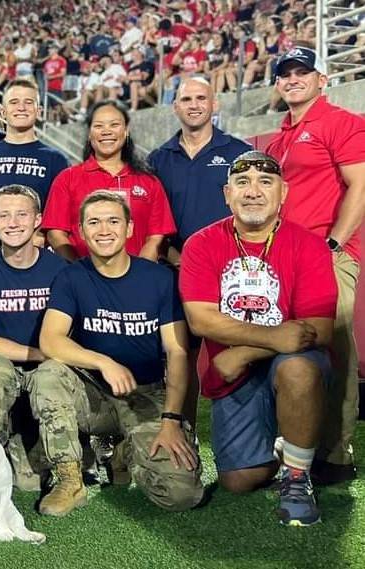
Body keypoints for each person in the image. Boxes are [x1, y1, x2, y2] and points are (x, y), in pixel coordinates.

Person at [180, 151, 337, 525]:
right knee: (239, 481)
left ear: (284, 193)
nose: (253, 191)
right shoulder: (201, 244)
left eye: (266, 182)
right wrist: (276, 336)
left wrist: (245, 351)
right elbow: (202, 320)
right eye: (243, 183)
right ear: (226, 193)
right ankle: (289, 444)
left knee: (297, 368)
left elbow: (320, 328)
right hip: (236, 377)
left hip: (288, 363)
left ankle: (297, 479)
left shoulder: (309, 245)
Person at [32, 190, 204, 516]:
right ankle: (70, 480)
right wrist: (103, 362)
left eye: (113, 221)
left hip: (146, 393)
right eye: (93, 222)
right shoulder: (71, 276)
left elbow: (178, 352)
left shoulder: (159, 278)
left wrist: (170, 420)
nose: (104, 230)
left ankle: (124, 452)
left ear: (129, 228)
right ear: (81, 232)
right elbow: (51, 340)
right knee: (49, 373)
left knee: (181, 495)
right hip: (93, 393)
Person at [264, 47, 365, 484]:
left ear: (322, 79)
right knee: (294, 347)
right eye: (285, 74)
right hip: (287, 260)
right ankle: (294, 443)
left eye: (302, 71)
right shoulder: (278, 139)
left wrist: (333, 244)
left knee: (335, 346)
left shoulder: (342, 123)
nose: (293, 79)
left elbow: (361, 184)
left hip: (327, 255)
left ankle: (336, 454)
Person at [0, 185, 67, 489]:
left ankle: (68, 461)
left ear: (37, 219)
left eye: (22, 214)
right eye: (4, 216)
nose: (13, 223)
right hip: (7, 366)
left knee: (30, 485)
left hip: (46, 373)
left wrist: (46, 359)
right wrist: (39, 353)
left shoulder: (61, 271)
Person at [42, 100, 176, 263]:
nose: (106, 131)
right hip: (83, 280)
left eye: (114, 125)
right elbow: (56, 234)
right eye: (98, 126)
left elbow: (155, 238)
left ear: (126, 130)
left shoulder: (149, 182)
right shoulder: (67, 179)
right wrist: (80, 271)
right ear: (90, 133)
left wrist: (140, 274)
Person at [148, 77, 252, 257]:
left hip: (229, 263)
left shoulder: (241, 153)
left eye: (201, 98)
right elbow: (152, 220)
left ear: (215, 104)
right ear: (175, 107)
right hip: (175, 266)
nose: (194, 105)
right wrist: (173, 257)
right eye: (186, 99)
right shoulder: (157, 160)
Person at [0, 78, 70, 247]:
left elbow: (61, 212)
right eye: (14, 102)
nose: (21, 108)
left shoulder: (55, 160)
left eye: (28, 102)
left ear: (39, 111)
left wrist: (41, 236)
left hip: (36, 250)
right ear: (3, 111)